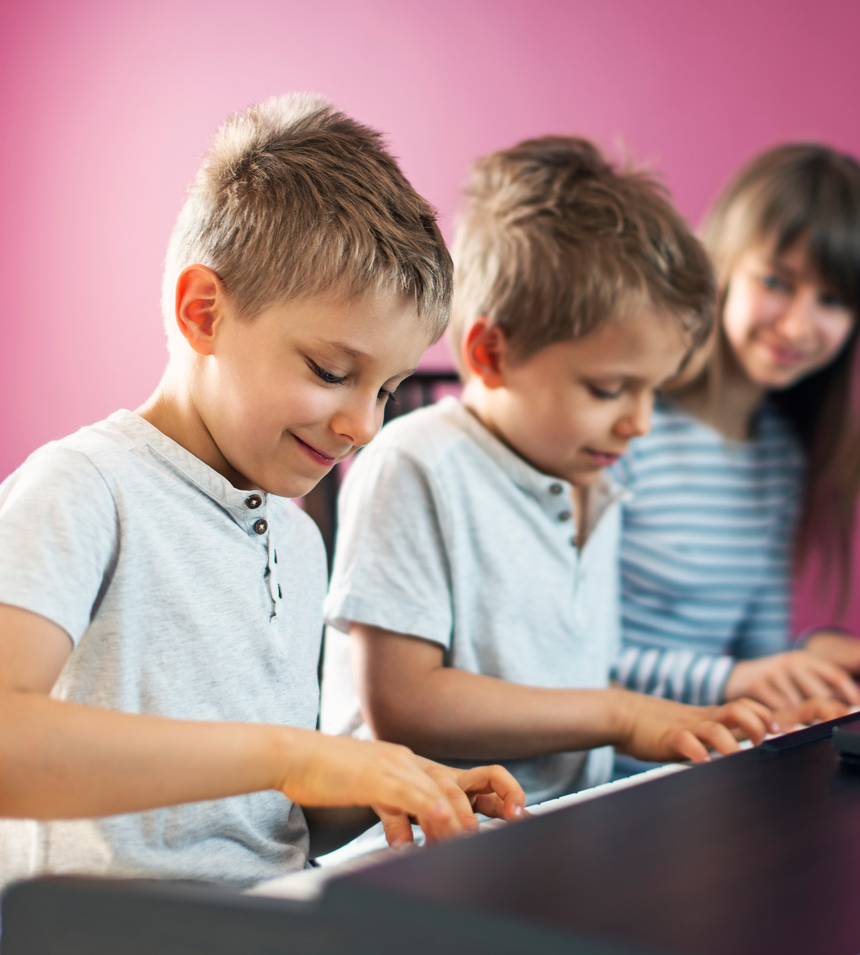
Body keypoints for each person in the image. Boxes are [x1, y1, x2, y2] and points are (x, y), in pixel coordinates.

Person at [0, 94, 526, 955]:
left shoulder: (298, 533)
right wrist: (298, 752)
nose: (361, 424)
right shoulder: (86, 490)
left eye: (387, 388)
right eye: (330, 371)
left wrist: (386, 781)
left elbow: (254, 824)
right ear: (203, 312)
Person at [320, 137, 792, 805]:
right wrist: (620, 714)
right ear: (491, 353)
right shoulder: (416, 463)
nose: (640, 422)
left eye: (653, 390)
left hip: (557, 829)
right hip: (417, 843)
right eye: (608, 389)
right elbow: (405, 701)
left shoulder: (594, 479)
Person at [611, 144, 860, 722]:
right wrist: (735, 680)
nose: (797, 324)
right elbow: (565, 663)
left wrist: (833, 659)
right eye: (777, 281)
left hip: (697, 764)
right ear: (723, 264)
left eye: (833, 300)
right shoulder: (622, 428)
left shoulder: (779, 458)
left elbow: (760, 656)